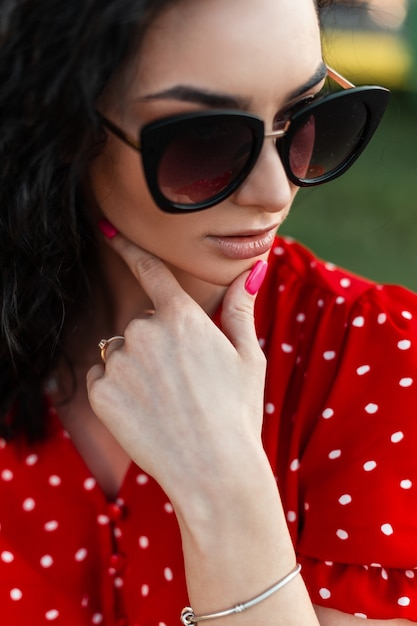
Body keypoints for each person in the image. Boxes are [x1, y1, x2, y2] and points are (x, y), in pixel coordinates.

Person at [0, 0, 416, 624]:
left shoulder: (379, 357)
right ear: (61, 123)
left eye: (306, 116)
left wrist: (225, 488)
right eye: (206, 138)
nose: (277, 191)